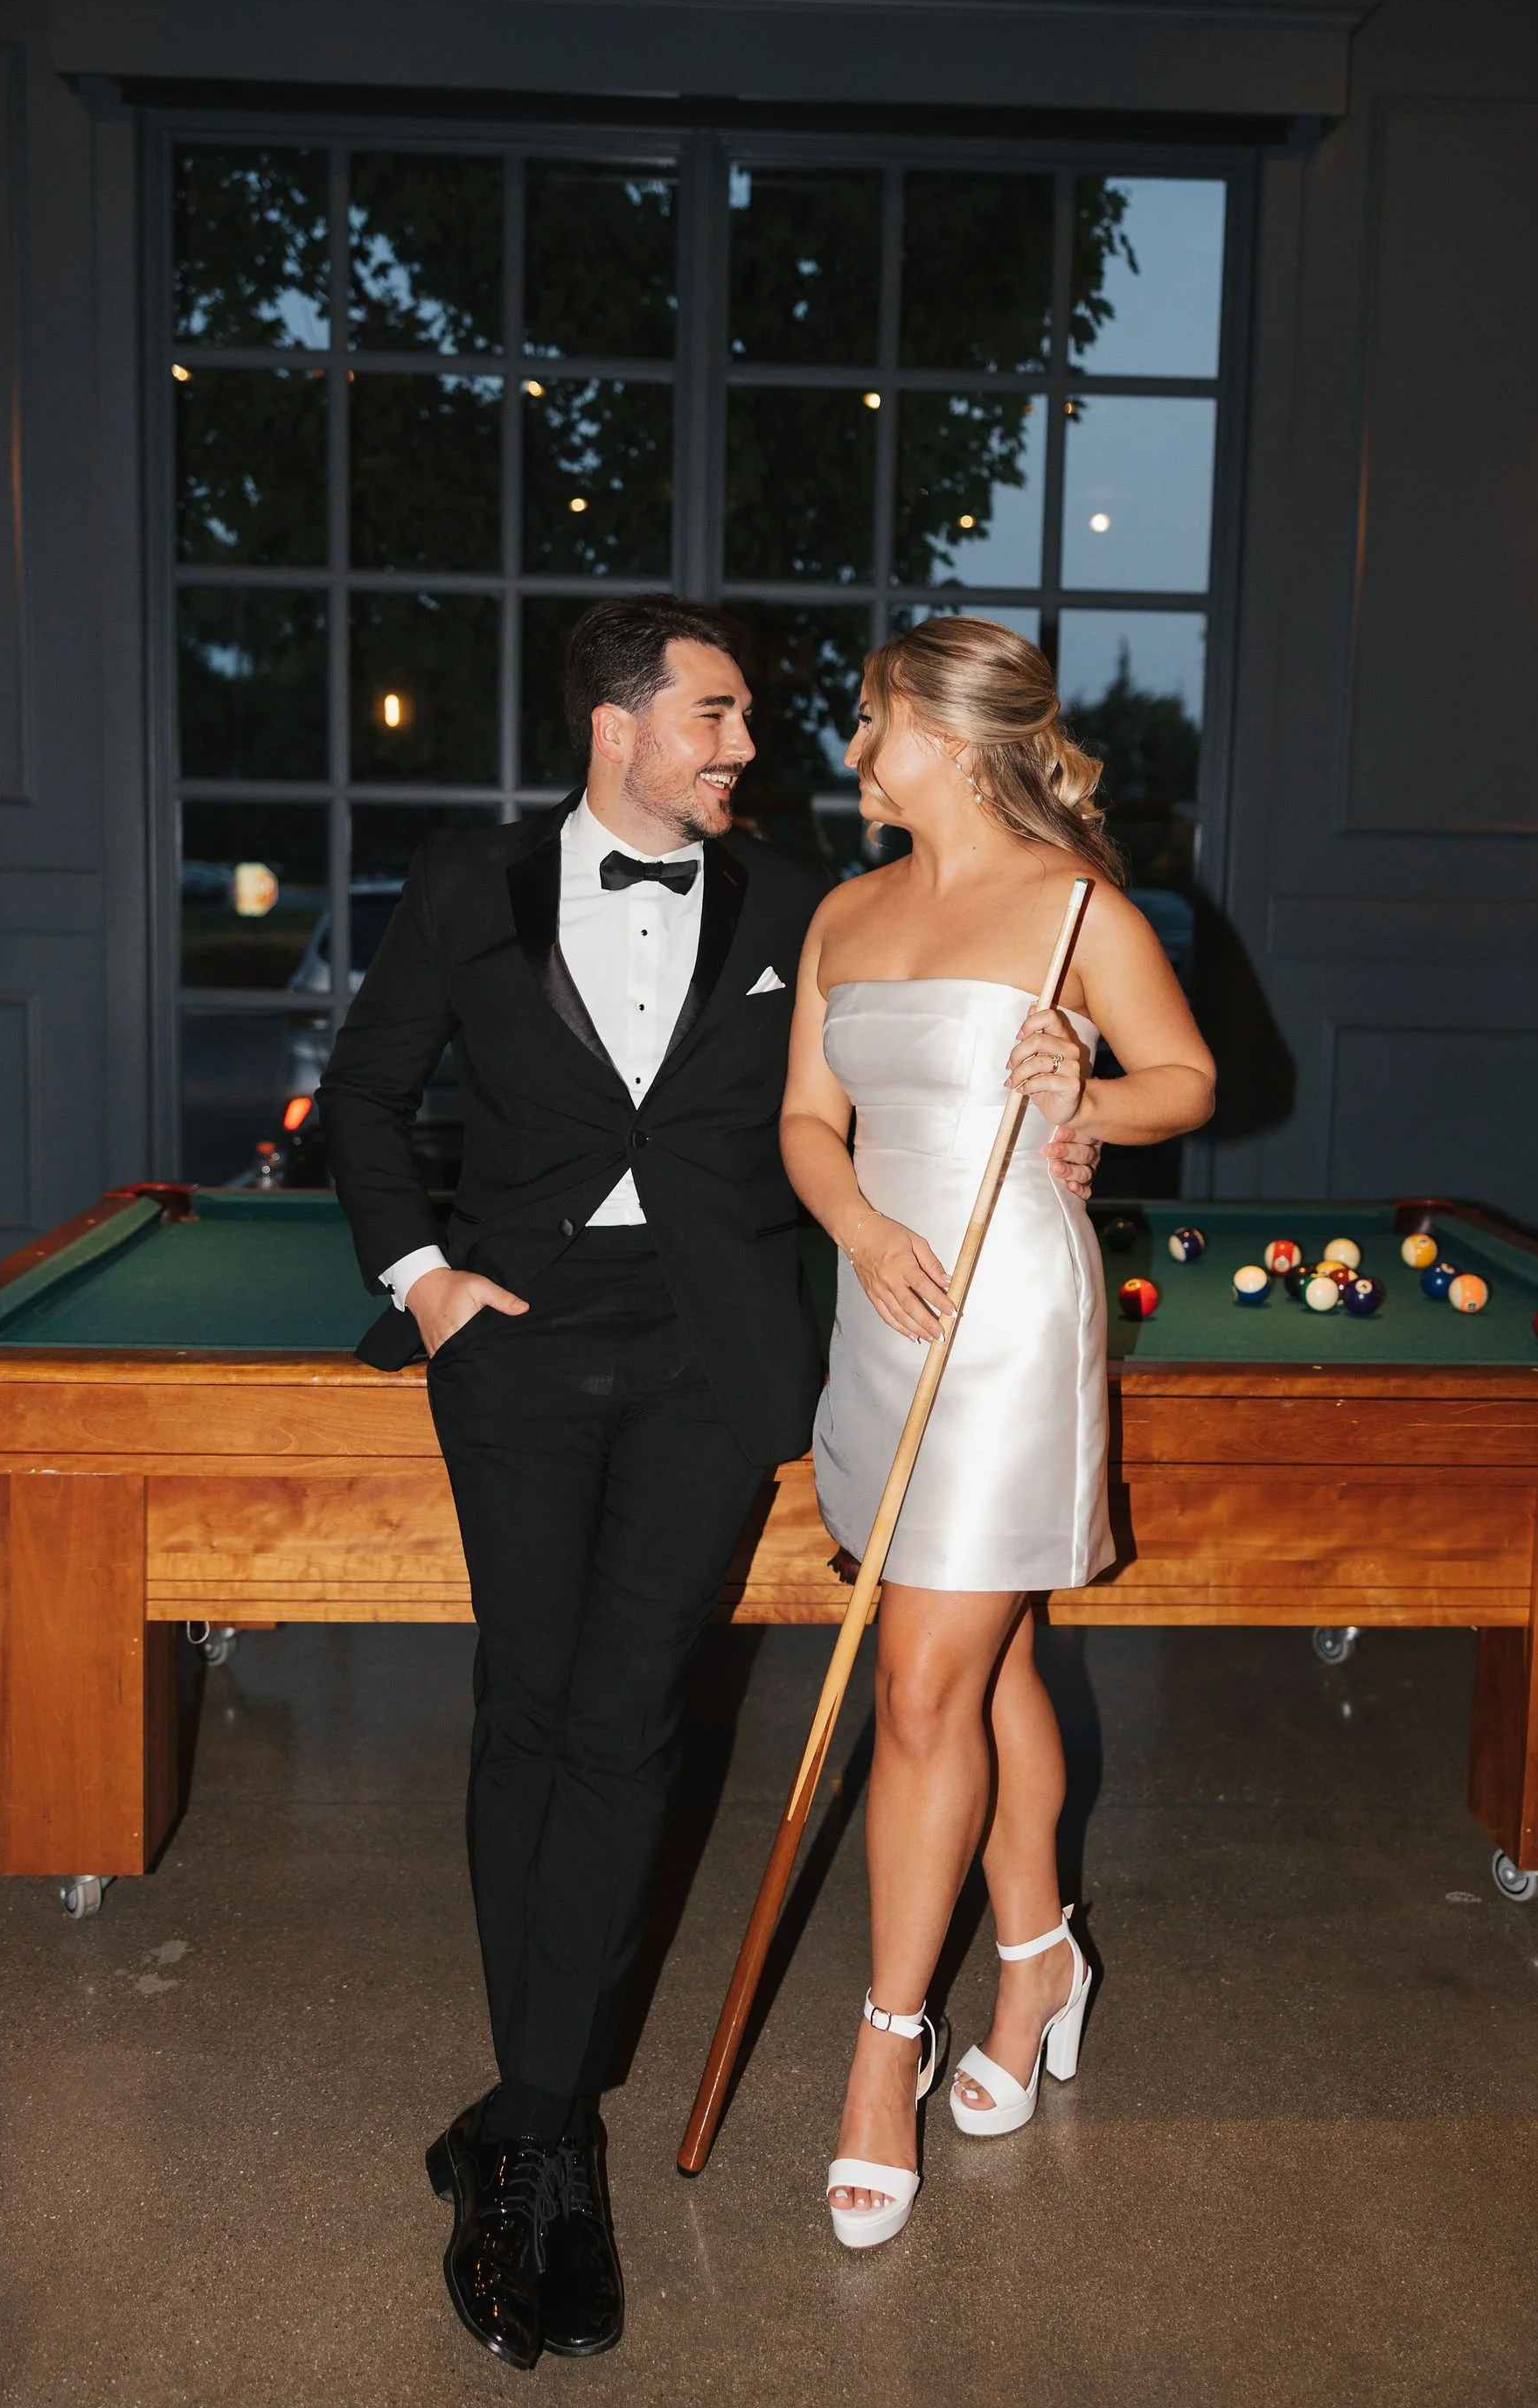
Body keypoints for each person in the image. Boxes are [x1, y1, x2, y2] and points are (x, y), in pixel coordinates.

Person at [317, 595, 1109, 2360]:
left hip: (708, 1354)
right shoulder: (472, 886)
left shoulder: (788, 900)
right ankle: (536, 2110)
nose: (747, 744)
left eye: (751, 715)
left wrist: (1064, 1112)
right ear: (621, 726)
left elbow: (910, 1073)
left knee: (626, 1718)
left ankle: (535, 2122)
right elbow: (364, 1096)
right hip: (511, 1340)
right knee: (524, 1701)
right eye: (716, 714)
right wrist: (422, 1281)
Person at [778, 616, 1216, 2249]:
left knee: (918, 1687)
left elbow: (1186, 1076)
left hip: (1012, 1317)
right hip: (884, 1316)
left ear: (950, 739)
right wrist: (864, 1236)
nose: (853, 751)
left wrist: (1080, 1096)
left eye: (871, 723)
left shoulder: (1077, 908)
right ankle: (1039, 1962)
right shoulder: (846, 909)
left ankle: (885, 2044)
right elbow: (808, 1126)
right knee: (990, 1662)